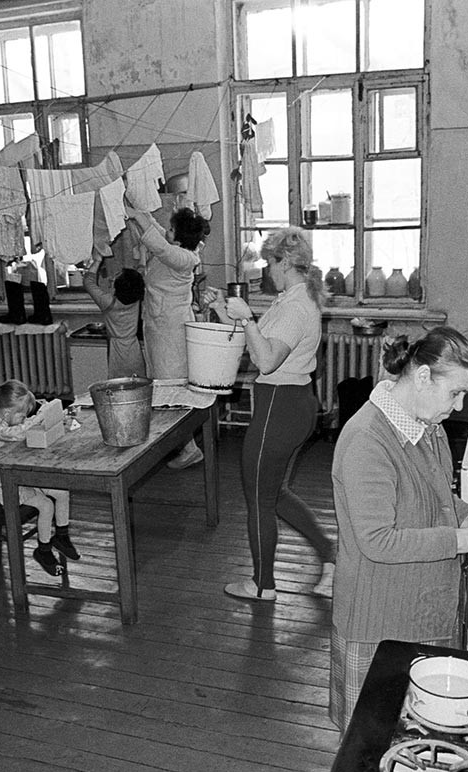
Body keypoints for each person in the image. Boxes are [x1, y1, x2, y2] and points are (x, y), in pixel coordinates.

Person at [328, 326, 468, 729]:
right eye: (455, 393)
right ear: (424, 377)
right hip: (380, 624)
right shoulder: (367, 441)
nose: (460, 405)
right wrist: (462, 539)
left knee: (421, 731)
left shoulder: (427, 426)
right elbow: (378, 541)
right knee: (371, 741)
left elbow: (437, 497)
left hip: (425, 610)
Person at [218, 227, 336, 602]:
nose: (266, 270)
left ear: (284, 262)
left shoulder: (296, 307)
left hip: (279, 408)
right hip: (292, 404)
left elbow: (266, 361)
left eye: (270, 262)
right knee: (274, 493)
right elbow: (255, 342)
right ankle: (329, 554)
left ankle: (262, 585)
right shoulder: (292, 300)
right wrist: (226, 312)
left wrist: (248, 319)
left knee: (257, 498)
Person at [126, 204, 210, 469]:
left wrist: (138, 217)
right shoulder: (180, 249)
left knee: (170, 387)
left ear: (180, 236)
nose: (168, 231)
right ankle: (182, 445)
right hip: (160, 325)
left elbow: (161, 246)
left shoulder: (185, 258)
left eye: (173, 228)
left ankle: (187, 447)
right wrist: (139, 210)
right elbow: (161, 236)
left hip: (170, 330)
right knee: (164, 385)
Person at [0, 380, 81, 576]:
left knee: (62, 493)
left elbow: (23, 425)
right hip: (6, 483)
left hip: (23, 473)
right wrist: (36, 419)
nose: (24, 418)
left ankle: (61, 536)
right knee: (46, 505)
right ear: (7, 412)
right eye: (22, 414)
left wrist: (45, 409)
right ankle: (43, 550)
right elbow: (16, 434)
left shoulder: (10, 417)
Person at [81, 252, 147, 379]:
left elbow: (88, 282)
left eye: (116, 277)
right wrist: (142, 253)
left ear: (118, 285)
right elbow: (140, 274)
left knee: (119, 386)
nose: (112, 278)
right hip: (134, 348)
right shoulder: (136, 297)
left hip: (117, 350)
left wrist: (97, 261)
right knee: (138, 384)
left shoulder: (108, 302)